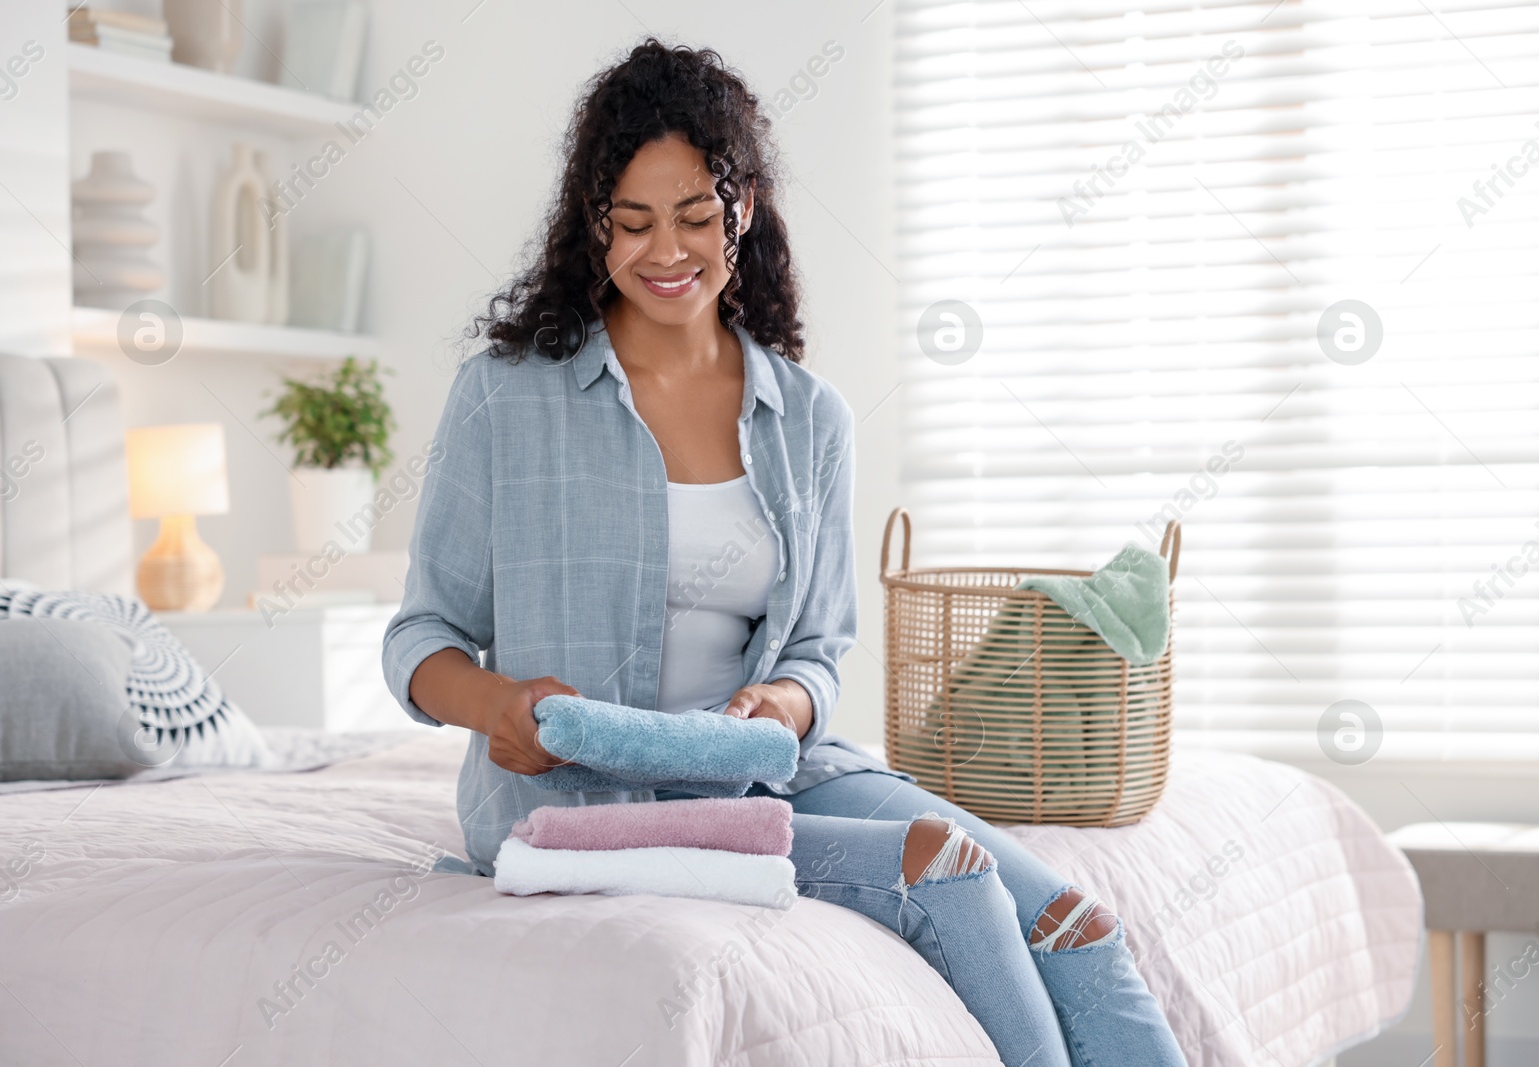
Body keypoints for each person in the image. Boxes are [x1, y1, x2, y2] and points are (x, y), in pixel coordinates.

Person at [382, 37, 1186, 1067]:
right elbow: (420, 636)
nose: (664, 251)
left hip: (769, 772)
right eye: (630, 223)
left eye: (694, 218)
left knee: (1075, 922)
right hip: (586, 802)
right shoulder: (505, 398)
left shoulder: (809, 418)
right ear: (593, 227)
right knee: (941, 864)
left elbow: (817, 647)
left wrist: (785, 704)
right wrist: (494, 705)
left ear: (744, 208)